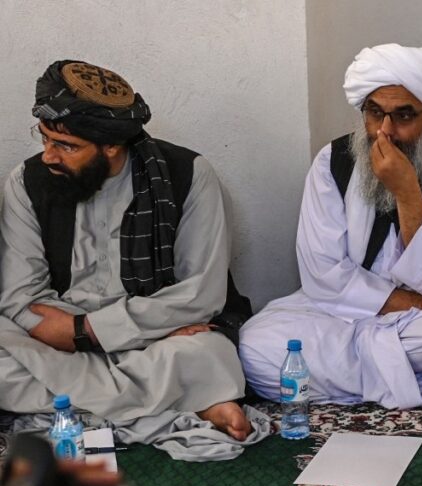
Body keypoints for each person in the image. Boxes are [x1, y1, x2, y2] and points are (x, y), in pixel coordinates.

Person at [0, 60, 257, 446]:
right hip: (64, 338)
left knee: (207, 351)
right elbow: (22, 298)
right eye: (45, 139)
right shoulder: (27, 181)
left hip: (156, 337)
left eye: (66, 146)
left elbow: (199, 294)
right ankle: (186, 401)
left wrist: (86, 333)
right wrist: (72, 333)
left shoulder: (188, 175)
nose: (49, 156)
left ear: (111, 146)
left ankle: (78, 408)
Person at [239, 44, 422, 409]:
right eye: (375, 113)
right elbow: (321, 272)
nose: (385, 132)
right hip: (340, 310)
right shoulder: (331, 162)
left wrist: (407, 194)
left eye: (403, 116)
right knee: (254, 346)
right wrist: (405, 302)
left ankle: (371, 373)